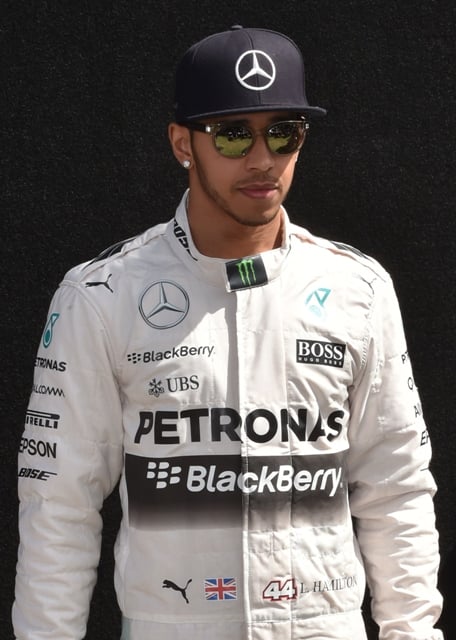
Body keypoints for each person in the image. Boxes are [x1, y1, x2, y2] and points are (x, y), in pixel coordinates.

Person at [13, 25, 443, 640]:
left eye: (284, 133)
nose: (262, 158)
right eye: (234, 133)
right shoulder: (102, 294)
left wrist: (413, 633)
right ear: (182, 143)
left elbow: (396, 485)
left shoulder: (360, 288)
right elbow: (59, 502)